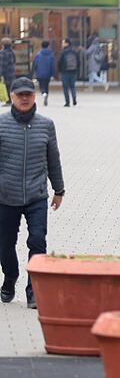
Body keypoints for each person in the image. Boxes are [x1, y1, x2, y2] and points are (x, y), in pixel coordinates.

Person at [0, 77, 65, 310]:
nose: (25, 98)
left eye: (29, 94)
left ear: (35, 96)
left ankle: (33, 291)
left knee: (37, 242)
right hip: (6, 197)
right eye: (20, 94)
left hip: (37, 195)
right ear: (12, 96)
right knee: (5, 245)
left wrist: (59, 189)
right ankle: (10, 277)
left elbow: (53, 160)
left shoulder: (46, 124)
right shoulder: (2, 123)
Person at [57, 38, 80, 107]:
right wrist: (76, 69)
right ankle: (74, 96)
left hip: (65, 72)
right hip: (73, 71)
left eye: (63, 43)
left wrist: (60, 70)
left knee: (65, 87)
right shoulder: (75, 51)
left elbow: (59, 62)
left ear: (67, 44)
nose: (62, 44)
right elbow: (79, 62)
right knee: (72, 86)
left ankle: (67, 102)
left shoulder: (63, 52)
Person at [32, 41, 56, 107]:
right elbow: (52, 65)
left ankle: (43, 93)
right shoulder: (51, 55)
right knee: (46, 85)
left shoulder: (37, 55)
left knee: (41, 86)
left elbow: (35, 65)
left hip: (40, 73)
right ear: (48, 46)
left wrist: (34, 72)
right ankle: (46, 95)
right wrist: (53, 75)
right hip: (48, 74)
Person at [0, 38, 15, 106]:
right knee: (10, 87)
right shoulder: (12, 51)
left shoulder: (2, 52)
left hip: (5, 72)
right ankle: (10, 100)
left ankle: (8, 101)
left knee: (6, 87)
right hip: (11, 71)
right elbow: (14, 61)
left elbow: (2, 64)